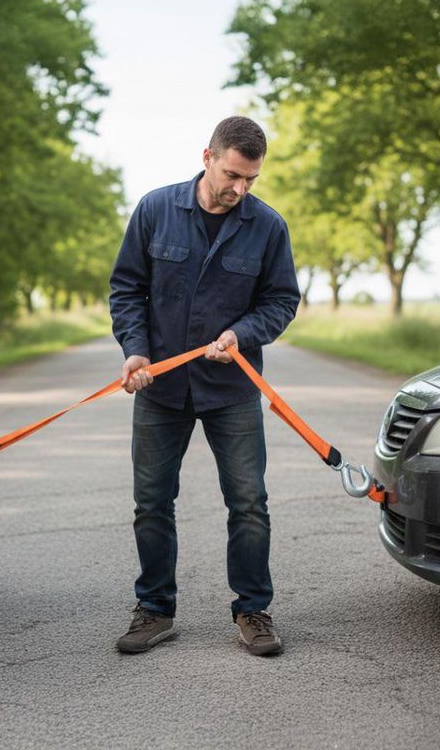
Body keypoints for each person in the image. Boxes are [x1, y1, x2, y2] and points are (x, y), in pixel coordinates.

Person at [108, 116, 300, 656]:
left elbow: (281, 301)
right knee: (152, 502)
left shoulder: (268, 227)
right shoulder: (154, 209)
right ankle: (154, 608)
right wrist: (136, 351)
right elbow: (127, 289)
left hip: (231, 391)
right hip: (161, 388)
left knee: (249, 503)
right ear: (208, 156)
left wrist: (243, 332)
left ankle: (252, 610)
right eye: (234, 175)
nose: (240, 189)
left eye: (252, 180)